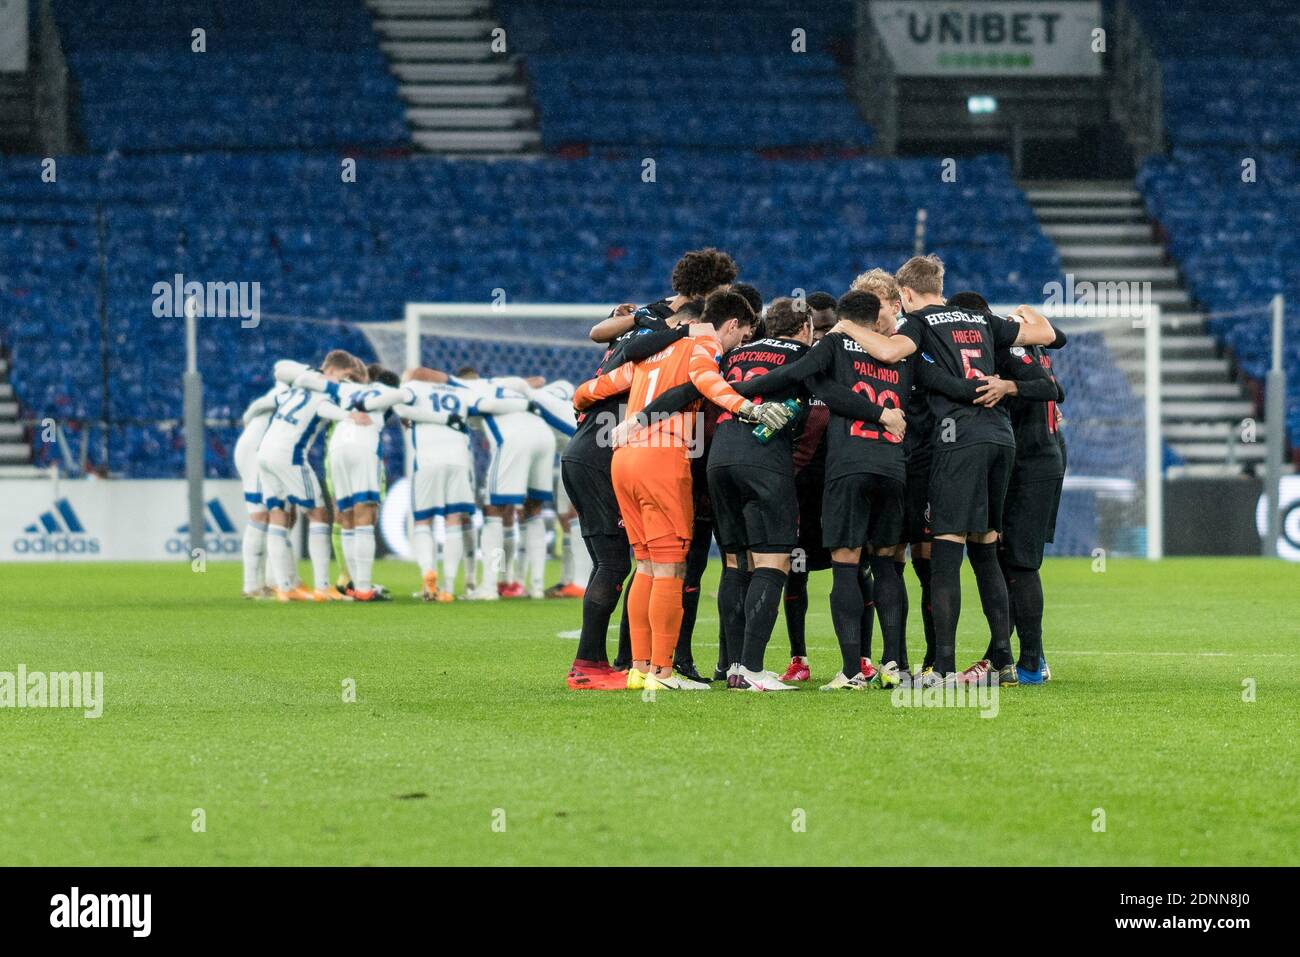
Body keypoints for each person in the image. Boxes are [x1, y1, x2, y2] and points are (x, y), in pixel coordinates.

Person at [573, 290, 791, 691]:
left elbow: (592, 389)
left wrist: (582, 402)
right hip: (662, 457)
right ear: (732, 326)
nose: (737, 347)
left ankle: (639, 668)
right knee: (672, 567)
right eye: (740, 337)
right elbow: (707, 381)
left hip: (624, 458)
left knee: (646, 566)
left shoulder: (650, 353)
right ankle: (663, 672)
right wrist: (749, 408)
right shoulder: (703, 343)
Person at [893, 255, 1055, 685]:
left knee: (946, 552)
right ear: (939, 284)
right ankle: (1003, 659)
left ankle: (943, 666)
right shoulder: (979, 319)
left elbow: (895, 354)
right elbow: (1046, 334)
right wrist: (1006, 380)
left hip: (957, 440)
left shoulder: (916, 323)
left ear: (906, 294)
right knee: (986, 548)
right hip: (1001, 439)